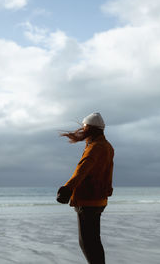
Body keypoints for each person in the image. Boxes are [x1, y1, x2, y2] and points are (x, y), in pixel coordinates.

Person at [57, 112, 114, 264]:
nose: (82, 130)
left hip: (88, 199)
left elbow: (83, 169)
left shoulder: (95, 147)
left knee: (87, 243)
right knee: (93, 241)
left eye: (84, 127)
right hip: (99, 199)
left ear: (90, 129)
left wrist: (67, 189)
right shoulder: (107, 146)